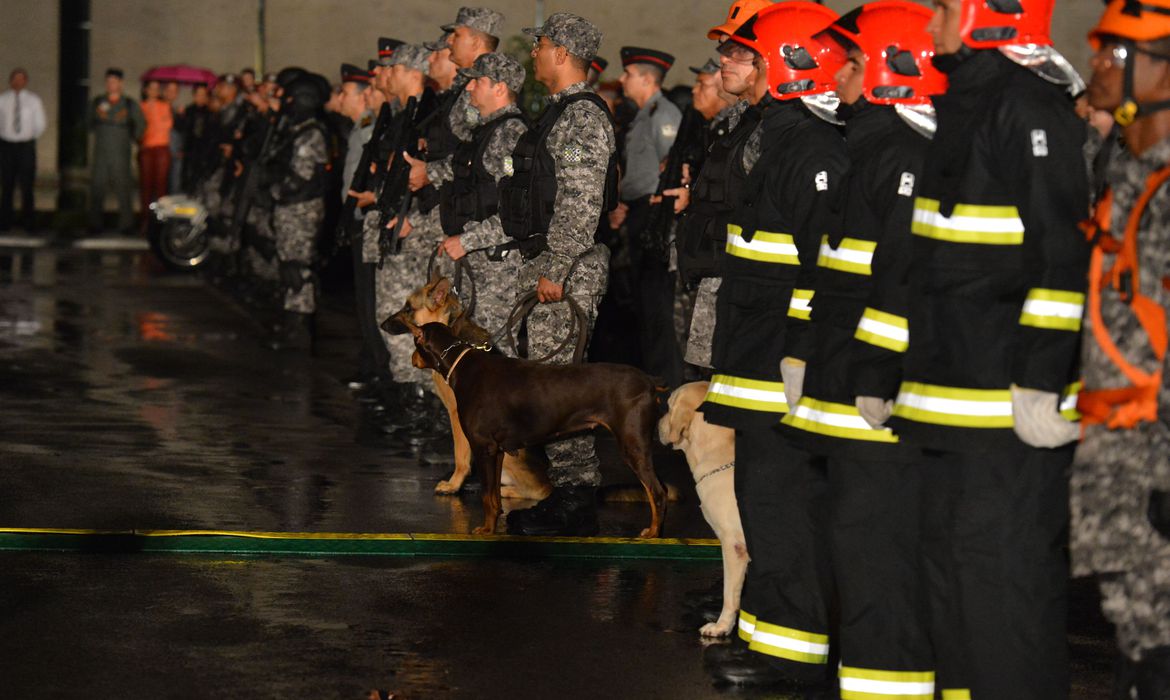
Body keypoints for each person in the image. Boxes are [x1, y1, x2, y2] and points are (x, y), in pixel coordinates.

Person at [886, 0, 1087, 696]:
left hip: (1002, 414)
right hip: (945, 407)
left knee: (1004, 595)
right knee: (953, 590)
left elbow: (1062, 258)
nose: (931, 23)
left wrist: (1040, 379)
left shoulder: (1029, 110)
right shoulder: (964, 106)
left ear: (986, 15)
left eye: (943, 7)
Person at [777, 3, 945, 695]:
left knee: (877, 550)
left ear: (887, 68)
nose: (837, 73)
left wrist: (875, 375)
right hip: (843, 376)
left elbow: (899, 282)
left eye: (849, 60)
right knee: (853, 541)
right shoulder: (868, 145)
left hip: (872, 390)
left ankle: (890, 685)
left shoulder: (900, 153)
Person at [698, 1, 848, 690]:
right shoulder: (772, 130)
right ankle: (764, 637)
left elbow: (828, 265)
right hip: (755, 354)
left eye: (736, 51)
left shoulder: (810, 144)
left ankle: (790, 657)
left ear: (775, 63)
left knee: (785, 507)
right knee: (766, 502)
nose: (723, 61)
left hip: (780, 361)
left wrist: (803, 356)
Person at [1074, 0, 1170, 695]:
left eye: (1116, 56)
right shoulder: (1127, 176)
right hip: (1120, 461)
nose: (1098, 69)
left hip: (1155, 459)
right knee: (1136, 639)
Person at [498, 12, 618, 536]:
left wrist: (558, 267)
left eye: (541, 44)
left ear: (563, 53)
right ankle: (565, 490)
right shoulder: (558, 115)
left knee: (560, 384)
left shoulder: (582, 119)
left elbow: (580, 198)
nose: (534, 53)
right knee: (547, 382)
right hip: (546, 261)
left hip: (566, 267)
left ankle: (575, 496)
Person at [436, 52, 530, 341]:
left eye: (477, 81)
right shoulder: (485, 131)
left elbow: (517, 209)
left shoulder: (511, 133)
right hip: (475, 263)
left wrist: (467, 241)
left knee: (493, 354)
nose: (468, 88)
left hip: (496, 267)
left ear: (499, 88)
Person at [614, 46, 683, 385]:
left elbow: (674, 165)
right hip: (638, 212)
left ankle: (666, 385)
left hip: (655, 213)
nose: (623, 79)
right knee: (643, 306)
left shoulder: (663, 114)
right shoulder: (641, 116)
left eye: (628, 74)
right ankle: (654, 381)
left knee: (658, 307)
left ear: (645, 78)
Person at [267, 73, 331, 351]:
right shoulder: (297, 130)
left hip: (301, 210)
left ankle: (300, 331)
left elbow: (301, 176)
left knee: (297, 268)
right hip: (291, 209)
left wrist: (271, 191)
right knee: (288, 264)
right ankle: (292, 323)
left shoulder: (311, 133)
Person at [88, 68, 143, 234]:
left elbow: (140, 124)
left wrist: (133, 137)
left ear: (121, 83)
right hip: (101, 151)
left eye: (114, 81)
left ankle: (126, 224)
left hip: (121, 150)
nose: (111, 84)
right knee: (97, 186)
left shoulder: (129, 103)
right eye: (108, 81)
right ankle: (94, 224)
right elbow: (89, 121)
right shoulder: (98, 102)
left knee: (123, 188)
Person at [0, 68, 45, 232]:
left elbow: (40, 124)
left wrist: (28, 138)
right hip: (7, 146)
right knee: (7, 186)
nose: (17, 82)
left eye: (21, 79)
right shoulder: (2, 100)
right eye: (15, 79)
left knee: (27, 186)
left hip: (25, 146)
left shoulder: (33, 101)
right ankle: (5, 223)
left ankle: (29, 223)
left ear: (25, 81)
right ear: (10, 81)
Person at [139, 79, 173, 233]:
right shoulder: (141, 106)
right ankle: (145, 219)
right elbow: (139, 128)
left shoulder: (165, 106)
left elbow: (166, 125)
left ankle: (161, 220)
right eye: (151, 88)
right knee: (146, 185)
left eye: (157, 89)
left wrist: (154, 118)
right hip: (147, 148)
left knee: (161, 185)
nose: (154, 91)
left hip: (161, 148)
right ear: (146, 90)